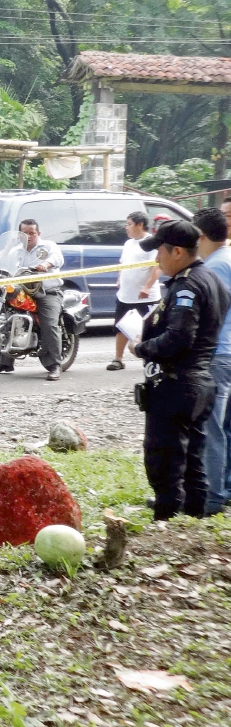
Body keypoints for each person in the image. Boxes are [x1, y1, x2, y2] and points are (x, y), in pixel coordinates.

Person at [130, 219, 230, 521]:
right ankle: (193, 520)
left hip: (178, 383)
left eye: (159, 251)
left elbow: (179, 338)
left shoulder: (188, 284)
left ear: (176, 252)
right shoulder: (210, 278)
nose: (156, 259)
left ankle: (167, 521)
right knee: (192, 459)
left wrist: (141, 348)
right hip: (200, 382)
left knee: (165, 459)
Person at [0, 219, 65, 381]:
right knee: (7, 319)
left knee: (49, 323)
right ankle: (5, 361)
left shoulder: (48, 246)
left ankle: (54, 365)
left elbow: (57, 258)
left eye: (32, 232)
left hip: (47, 292)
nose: (29, 236)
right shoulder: (16, 251)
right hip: (22, 291)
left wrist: (46, 264)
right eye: (24, 233)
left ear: (38, 233)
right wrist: (7, 247)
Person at [194, 208, 231, 515]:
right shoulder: (226, 259)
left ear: (201, 236)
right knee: (226, 425)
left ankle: (214, 495)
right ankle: (225, 487)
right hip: (227, 351)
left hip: (218, 352)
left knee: (211, 426)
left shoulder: (214, 268)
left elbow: (210, 316)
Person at [109, 211, 161, 370]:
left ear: (140, 225)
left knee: (151, 328)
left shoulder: (151, 243)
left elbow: (157, 266)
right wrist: (120, 278)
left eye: (129, 224)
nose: (127, 228)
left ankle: (153, 360)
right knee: (121, 326)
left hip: (146, 297)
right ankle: (118, 359)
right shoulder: (128, 244)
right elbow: (123, 264)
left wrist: (147, 286)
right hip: (126, 295)